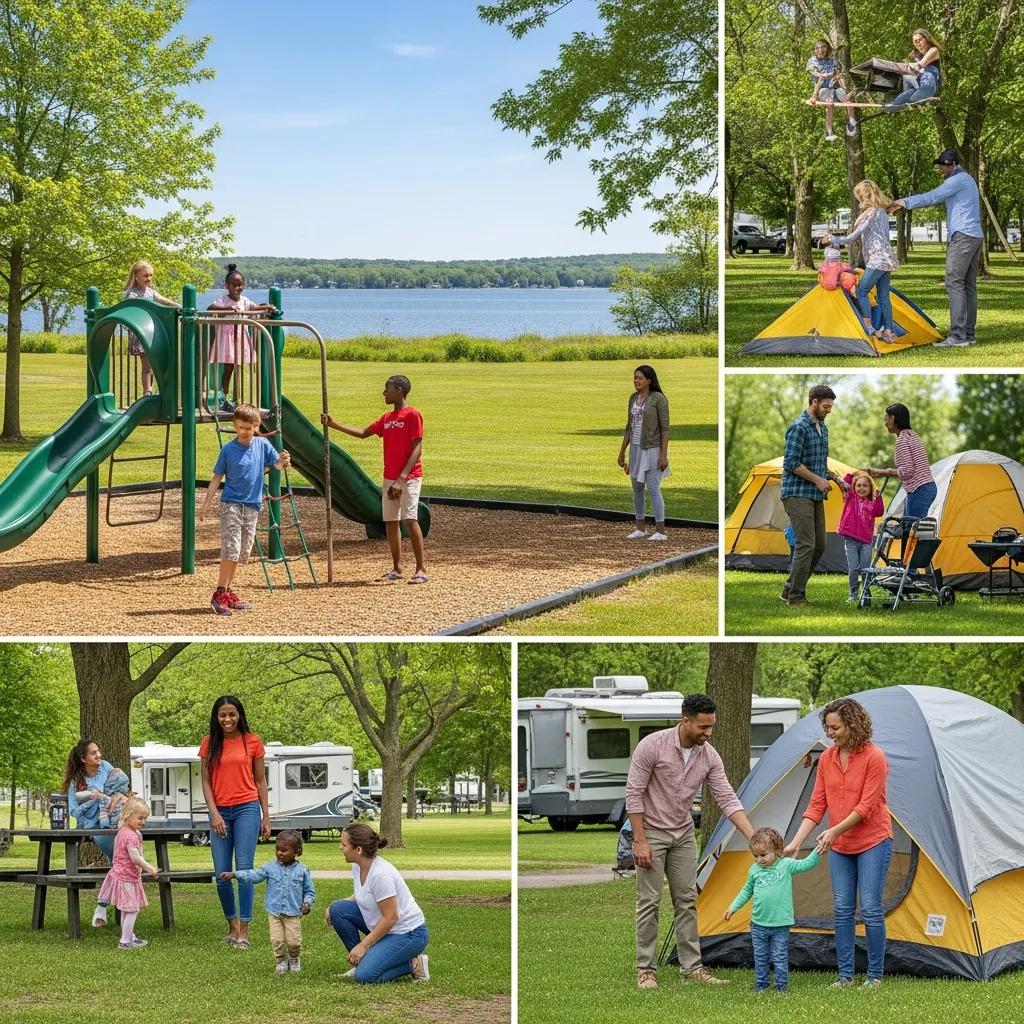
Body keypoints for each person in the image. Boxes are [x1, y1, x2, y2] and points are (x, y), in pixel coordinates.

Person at [625, 692, 755, 989]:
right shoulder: (652, 746)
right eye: (703, 727)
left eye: (711, 727)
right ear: (686, 721)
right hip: (652, 832)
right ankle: (646, 970)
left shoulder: (708, 755)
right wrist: (640, 840)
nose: (708, 733)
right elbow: (633, 794)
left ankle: (692, 968)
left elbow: (727, 798)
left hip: (683, 834)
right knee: (649, 902)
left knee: (687, 901)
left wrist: (752, 836)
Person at [783, 698, 893, 988]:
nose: (830, 733)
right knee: (843, 908)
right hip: (840, 846)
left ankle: (875, 976)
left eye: (836, 728)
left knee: (870, 908)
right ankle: (845, 976)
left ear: (853, 725)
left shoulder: (875, 758)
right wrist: (796, 842)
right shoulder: (827, 759)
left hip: (873, 840)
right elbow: (816, 805)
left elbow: (866, 807)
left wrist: (833, 831)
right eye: (828, 728)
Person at [322, 375, 428, 583]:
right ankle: (397, 568)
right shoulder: (386, 418)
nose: (384, 392)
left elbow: (417, 447)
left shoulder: (413, 415)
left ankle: (421, 569)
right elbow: (363, 433)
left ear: (399, 390)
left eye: (387, 388)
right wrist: (333, 424)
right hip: (389, 477)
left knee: (409, 519)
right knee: (391, 521)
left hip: (409, 477)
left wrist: (402, 478)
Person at [199, 403, 291, 616]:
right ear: (235, 426)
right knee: (231, 548)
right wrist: (206, 503)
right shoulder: (228, 450)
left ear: (256, 426)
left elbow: (277, 465)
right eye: (240, 427)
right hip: (231, 504)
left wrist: (284, 460)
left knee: (241, 552)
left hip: (252, 504)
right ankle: (219, 594)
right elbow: (217, 478)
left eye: (248, 428)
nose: (244, 432)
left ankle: (228, 591)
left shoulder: (262, 445)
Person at [199, 695, 271, 950]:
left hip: (246, 809)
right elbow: (206, 781)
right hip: (219, 811)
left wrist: (266, 815)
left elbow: (260, 781)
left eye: (232, 714)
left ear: (239, 715)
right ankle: (232, 926)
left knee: (244, 870)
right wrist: (214, 814)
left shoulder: (253, 742)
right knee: (221, 874)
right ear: (216, 717)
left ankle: (244, 931)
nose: (227, 719)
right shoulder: (209, 743)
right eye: (222, 715)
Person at [890, 150, 982, 347]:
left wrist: (903, 202)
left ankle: (958, 336)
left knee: (953, 282)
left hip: (963, 236)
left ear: (953, 164)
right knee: (968, 285)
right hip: (974, 235)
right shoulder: (967, 179)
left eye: (942, 165)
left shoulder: (957, 180)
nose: (939, 168)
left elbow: (931, 197)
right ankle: (968, 334)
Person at [326, 823, 430, 984]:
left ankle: (415, 964)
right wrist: (333, 907)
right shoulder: (358, 866)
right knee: (338, 909)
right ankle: (363, 962)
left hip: (409, 934)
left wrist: (363, 945)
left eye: (344, 845)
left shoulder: (381, 875)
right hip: (387, 928)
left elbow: (391, 917)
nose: (340, 848)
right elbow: (361, 894)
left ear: (358, 850)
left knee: (365, 977)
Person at [724, 826, 822, 993]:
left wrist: (819, 849)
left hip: (780, 925)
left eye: (763, 855)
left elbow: (806, 863)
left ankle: (781, 987)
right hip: (758, 925)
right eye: (755, 856)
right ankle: (761, 985)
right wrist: (733, 907)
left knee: (779, 956)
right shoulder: (754, 870)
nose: (759, 860)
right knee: (760, 957)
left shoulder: (786, 865)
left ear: (777, 852)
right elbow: (746, 891)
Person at [780, 384, 849, 607]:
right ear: (814, 402)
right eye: (826, 406)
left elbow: (819, 463)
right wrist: (818, 480)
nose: (829, 410)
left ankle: (790, 586)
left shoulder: (823, 428)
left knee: (820, 544)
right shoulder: (798, 428)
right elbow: (791, 463)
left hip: (814, 494)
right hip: (796, 492)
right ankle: (796, 596)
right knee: (806, 544)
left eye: (831, 406)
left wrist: (836, 479)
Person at [221, 830, 316, 975]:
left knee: (294, 941)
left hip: (293, 912)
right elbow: (254, 875)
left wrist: (307, 903)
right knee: (277, 940)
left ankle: (294, 958)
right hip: (274, 912)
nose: (280, 853)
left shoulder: (302, 871)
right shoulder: (270, 867)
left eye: (284, 850)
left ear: (297, 851)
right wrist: (235, 874)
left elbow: (309, 891)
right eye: (278, 849)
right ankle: (280, 961)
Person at [62, 739, 130, 928]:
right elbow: (74, 811)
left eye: (98, 751)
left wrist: (115, 799)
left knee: (120, 861)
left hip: (114, 823)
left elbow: (118, 789)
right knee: (121, 862)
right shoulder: (76, 781)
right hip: (92, 826)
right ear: (83, 758)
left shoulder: (106, 767)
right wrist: (93, 800)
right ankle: (112, 908)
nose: (99, 755)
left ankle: (103, 907)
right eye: (93, 753)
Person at [824, 180, 900, 343]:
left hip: (877, 258)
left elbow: (851, 238)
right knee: (883, 297)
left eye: (859, 196)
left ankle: (868, 326)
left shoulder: (872, 213)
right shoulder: (882, 212)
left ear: (864, 196)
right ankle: (889, 332)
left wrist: (832, 238)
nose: (858, 200)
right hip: (887, 258)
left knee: (861, 290)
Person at [207, 264, 276, 409]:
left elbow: (254, 307)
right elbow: (210, 308)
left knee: (239, 368)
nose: (237, 288)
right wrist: (228, 309)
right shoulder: (224, 300)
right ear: (227, 286)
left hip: (240, 339)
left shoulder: (244, 301)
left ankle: (236, 399)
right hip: (227, 339)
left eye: (240, 285)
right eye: (234, 285)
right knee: (228, 368)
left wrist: (266, 307)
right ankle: (223, 398)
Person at [95, 795, 159, 951]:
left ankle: (130, 936)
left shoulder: (124, 830)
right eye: (140, 818)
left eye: (145, 818)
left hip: (122, 875)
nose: (143, 821)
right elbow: (135, 858)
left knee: (126, 908)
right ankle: (125, 941)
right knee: (132, 909)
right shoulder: (130, 836)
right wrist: (150, 868)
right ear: (128, 816)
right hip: (126, 878)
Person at [616, 364, 671, 542]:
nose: (636, 381)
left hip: (652, 449)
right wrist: (622, 452)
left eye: (640, 378)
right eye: (635, 378)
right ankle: (640, 528)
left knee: (653, 488)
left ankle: (660, 531)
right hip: (635, 449)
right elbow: (629, 427)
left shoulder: (658, 399)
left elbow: (665, 428)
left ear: (649, 380)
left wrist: (663, 454)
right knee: (637, 488)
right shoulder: (633, 398)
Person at [867, 403, 936, 520]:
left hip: (919, 489)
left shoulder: (902, 440)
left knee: (911, 528)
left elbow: (908, 471)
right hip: (923, 488)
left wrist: (889, 472)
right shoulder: (911, 435)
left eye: (886, 417)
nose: (885, 421)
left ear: (893, 418)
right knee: (907, 525)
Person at [123, 259, 180, 397]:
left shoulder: (150, 292)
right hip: (140, 334)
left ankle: (153, 391)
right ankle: (147, 392)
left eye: (150, 275)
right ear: (136, 276)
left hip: (151, 333)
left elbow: (163, 300)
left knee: (154, 365)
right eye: (145, 275)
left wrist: (180, 307)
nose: (149, 278)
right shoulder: (132, 294)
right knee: (148, 365)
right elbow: (131, 310)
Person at [837, 470, 885, 601]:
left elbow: (879, 512)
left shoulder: (872, 502)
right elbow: (846, 482)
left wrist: (878, 497)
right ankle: (853, 594)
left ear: (870, 489)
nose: (861, 488)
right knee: (853, 569)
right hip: (851, 540)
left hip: (866, 541)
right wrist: (853, 473)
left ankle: (865, 593)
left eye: (865, 486)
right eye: (859, 485)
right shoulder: (850, 497)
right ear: (854, 487)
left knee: (865, 569)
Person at [806, 38, 857, 141]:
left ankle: (851, 123)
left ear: (827, 48)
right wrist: (814, 96)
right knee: (829, 103)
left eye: (823, 47)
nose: (820, 50)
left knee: (848, 100)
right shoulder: (812, 61)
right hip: (822, 88)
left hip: (835, 87)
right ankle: (829, 131)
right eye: (817, 48)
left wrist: (838, 78)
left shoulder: (833, 60)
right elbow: (817, 75)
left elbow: (837, 74)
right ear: (814, 50)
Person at [885, 29, 942, 112]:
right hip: (916, 87)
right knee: (906, 90)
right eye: (915, 41)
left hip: (930, 84)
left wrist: (916, 66)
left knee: (927, 73)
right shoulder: (914, 56)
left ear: (926, 39)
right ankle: (894, 105)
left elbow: (922, 63)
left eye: (920, 40)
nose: (917, 43)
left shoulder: (934, 50)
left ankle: (924, 94)